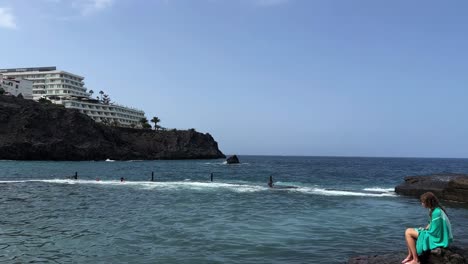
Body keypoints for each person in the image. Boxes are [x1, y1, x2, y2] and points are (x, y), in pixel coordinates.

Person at [402, 192, 453, 264]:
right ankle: (410, 255)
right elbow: (431, 223)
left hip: (436, 238)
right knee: (409, 231)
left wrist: (424, 232)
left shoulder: (436, 212)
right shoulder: (434, 209)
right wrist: (424, 229)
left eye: (423, 202)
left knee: (408, 232)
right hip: (434, 234)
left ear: (428, 202)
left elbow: (435, 231)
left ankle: (416, 260)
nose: (422, 204)